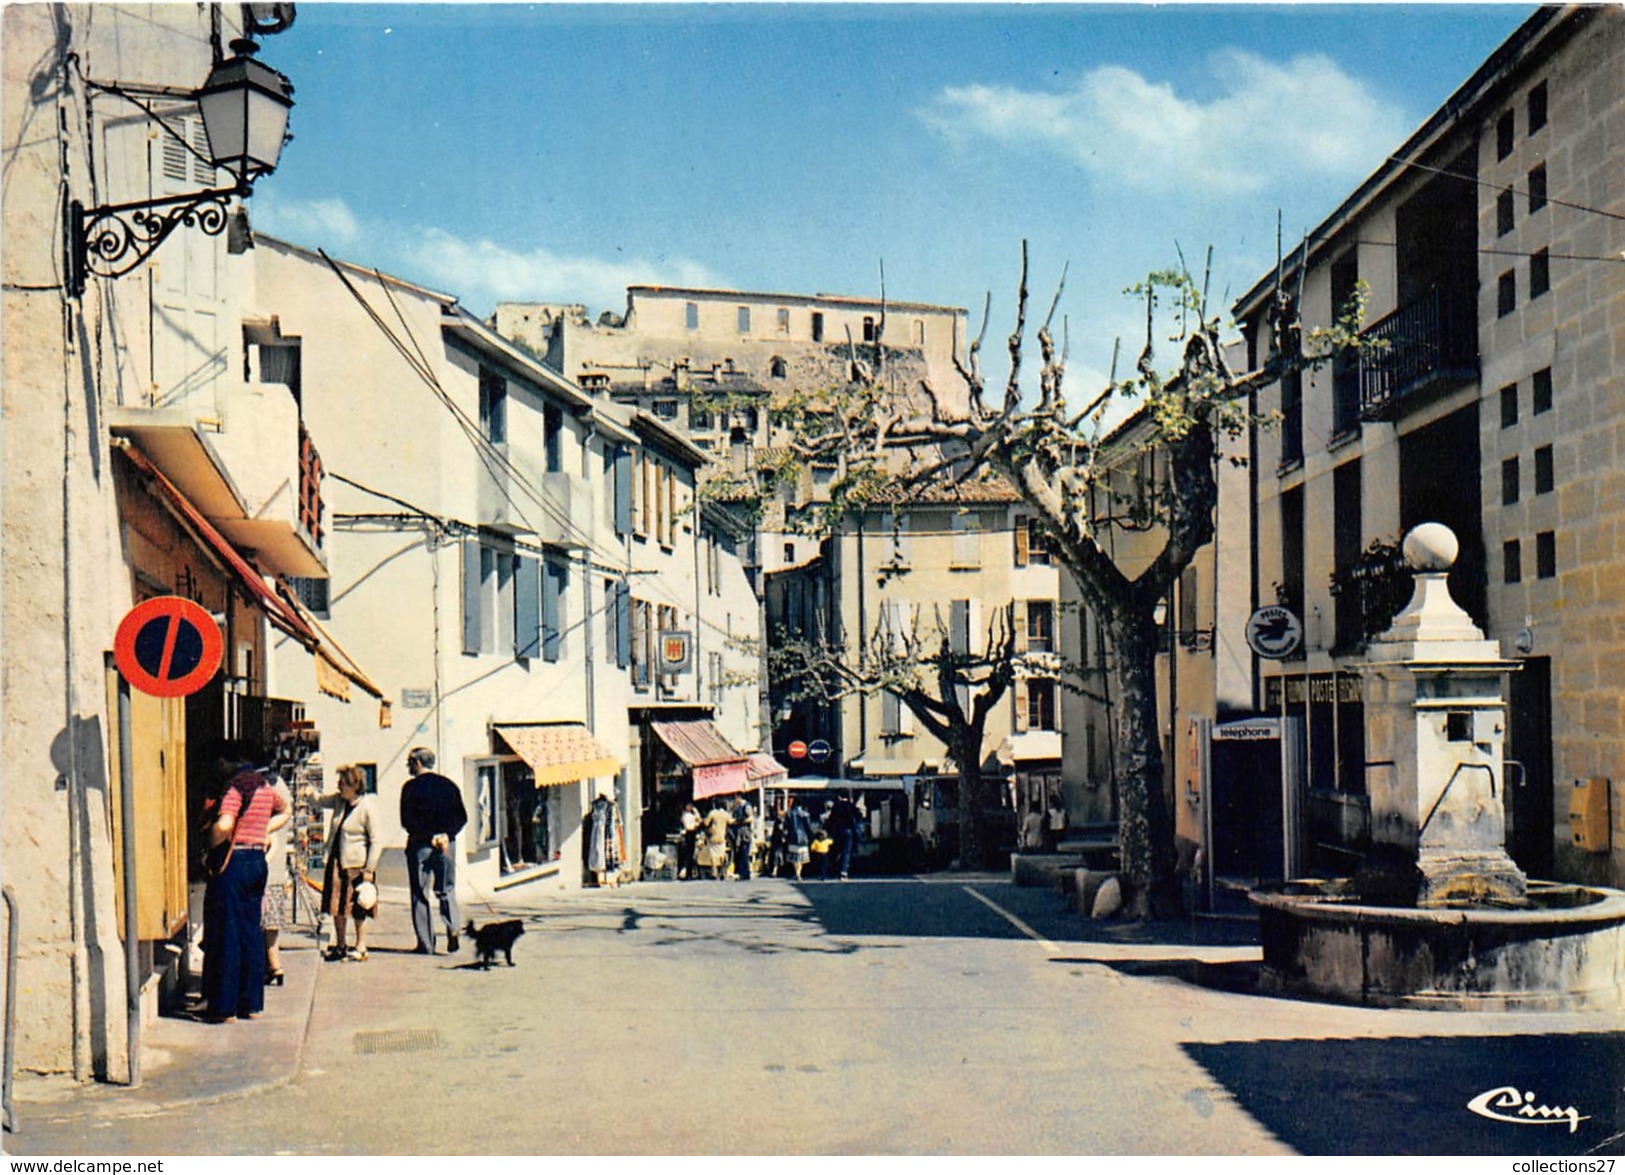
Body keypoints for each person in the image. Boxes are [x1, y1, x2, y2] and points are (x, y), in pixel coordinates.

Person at [201, 747, 290, 1022]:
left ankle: (225, 1007)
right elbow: (285, 810)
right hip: (257, 861)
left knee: (228, 931)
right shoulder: (264, 786)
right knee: (251, 931)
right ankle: (251, 1004)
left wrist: (210, 844)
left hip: (234, 861)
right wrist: (264, 830)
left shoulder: (235, 787)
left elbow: (225, 824)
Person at [400, 746, 467, 955]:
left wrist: (430, 836)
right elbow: (461, 816)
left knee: (420, 893)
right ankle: (453, 927)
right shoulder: (449, 786)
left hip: (421, 845)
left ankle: (426, 943)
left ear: (417, 763)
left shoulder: (410, 788)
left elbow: (407, 820)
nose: (408, 767)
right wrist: (446, 834)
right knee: (447, 888)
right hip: (447, 845)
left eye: (410, 763)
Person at [315, 765, 384, 961]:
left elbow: (377, 840)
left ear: (354, 785)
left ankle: (361, 945)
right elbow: (319, 800)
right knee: (337, 905)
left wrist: (370, 868)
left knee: (358, 906)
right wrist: (309, 792)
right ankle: (341, 944)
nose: (339, 787)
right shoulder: (339, 801)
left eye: (342, 783)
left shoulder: (367, 807)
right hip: (337, 861)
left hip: (357, 865)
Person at [260, 774, 295, 985]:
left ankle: (272, 964)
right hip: (277, 867)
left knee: (263, 920)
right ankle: (275, 964)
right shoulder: (280, 784)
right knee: (271, 922)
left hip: (267, 866)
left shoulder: (270, 786)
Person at [587, 790, 625, 887]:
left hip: (599, 832)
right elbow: (618, 823)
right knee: (604, 851)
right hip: (607, 832)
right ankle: (605, 876)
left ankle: (602, 876)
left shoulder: (601, 806)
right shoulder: (611, 806)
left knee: (598, 850)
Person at [826, 791, 862, 881]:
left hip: (838, 831)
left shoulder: (836, 806)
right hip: (848, 832)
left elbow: (831, 819)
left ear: (839, 796)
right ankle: (843, 872)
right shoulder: (851, 806)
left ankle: (833, 868)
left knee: (838, 850)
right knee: (846, 852)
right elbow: (858, 817)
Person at [780, 795, 814, 881]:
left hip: (792, 837)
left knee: (795, 857)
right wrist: (811, 836)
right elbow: (808, 827)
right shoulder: (805, 814)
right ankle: (798, 873)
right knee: (801, 857)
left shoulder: (789, 814)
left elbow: (785, 826)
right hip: (803, 837)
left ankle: (797, 873)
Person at [699, 799, 732, 880]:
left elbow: (706, 823)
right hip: (722, 836)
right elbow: (730, 822)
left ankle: (714, 872)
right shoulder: (725, 814)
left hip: (713, 836)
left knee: (713, 855)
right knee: (722, 854)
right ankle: (723, 872)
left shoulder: (712, 813)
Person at [728, 792, 755, 880]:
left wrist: (741, 821)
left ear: (739, 798)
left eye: (735, 799)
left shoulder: (746, 806)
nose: (735, 801)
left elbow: (751, 818)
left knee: (744, 853)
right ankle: (740, 872)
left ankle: (745, 873)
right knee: (739, 853)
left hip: (745, 833)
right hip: (738, 833)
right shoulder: (737, 807)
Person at [677, 803, 702, 880]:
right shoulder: (686, 815)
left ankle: (690, 873)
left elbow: (699, 819)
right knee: (688, 854)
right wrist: (695, 823)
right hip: (689, 833)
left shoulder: (691, 815)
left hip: (692, 833)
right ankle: (687, 873)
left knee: (691, 854)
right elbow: (690, 824)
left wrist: (695, 811)